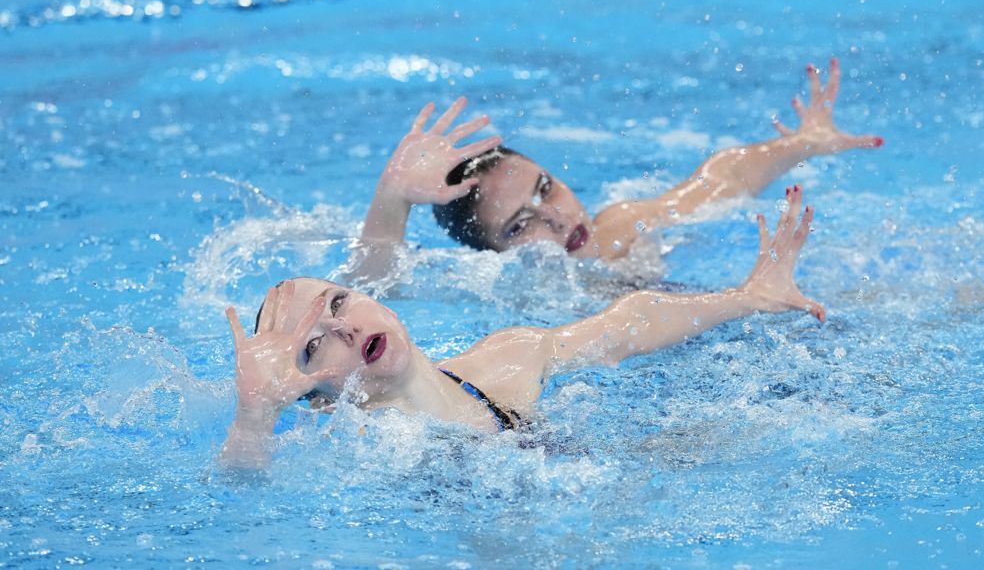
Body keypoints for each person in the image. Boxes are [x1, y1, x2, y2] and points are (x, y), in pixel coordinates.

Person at [221, 186, 823, 470]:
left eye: (339, 303)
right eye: (314, 344)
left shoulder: (500, 362)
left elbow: (626, 324)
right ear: (315, 399)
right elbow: (242, 498)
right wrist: (253, 418)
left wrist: (744, 299)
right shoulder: (351, 445)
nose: (345, 329)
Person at [356, 58, 880, 268]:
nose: (559, 219)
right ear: (493, 254)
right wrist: (391, 197)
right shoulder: (501, 295)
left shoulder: (619, 229)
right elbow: (376, 286)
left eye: (546, 190)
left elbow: (718, 181)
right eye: (521, 225)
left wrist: (800, 145)